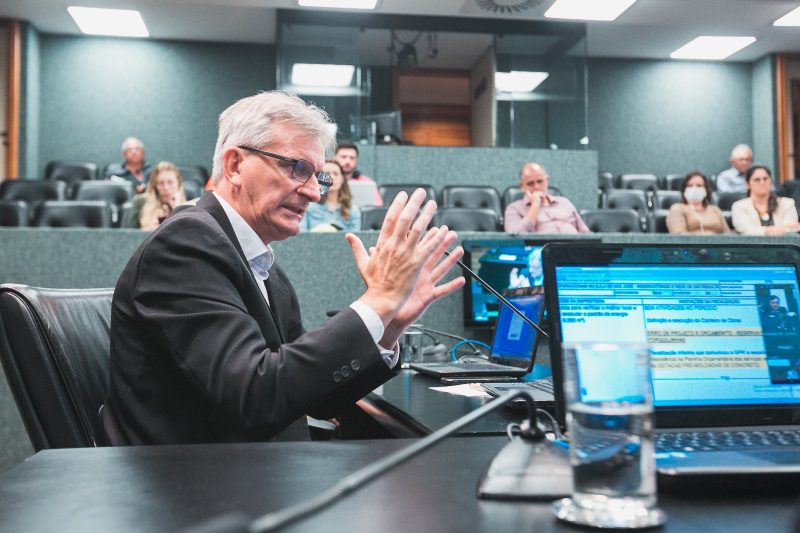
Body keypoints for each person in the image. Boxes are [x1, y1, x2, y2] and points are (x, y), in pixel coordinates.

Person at [101, 91, 464, 445]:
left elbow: (314, 396)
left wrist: (388, 326)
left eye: (319, 177)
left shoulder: (262, 263)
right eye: (297, 168)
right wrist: (379, 301)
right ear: (234, 165)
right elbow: (254, 397)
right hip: (197, 492)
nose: (313, 192)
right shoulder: (184, 244)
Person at [503, 162, 591, 234]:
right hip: (541, 252)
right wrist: (535, 205)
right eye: (530, 183)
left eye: (540, 181)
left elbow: (585, 232)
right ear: (522, 186)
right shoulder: (514, 208)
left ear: (547, 180)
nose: (536, 187)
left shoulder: (564, 202)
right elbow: (514, 235)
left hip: (574, 250)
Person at [731, 165, 800, 236]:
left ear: (771, 181)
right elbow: (747, 231)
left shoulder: (787, 203)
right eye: (757, 180)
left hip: (784, 246)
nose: (762, 183)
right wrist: (776, 229)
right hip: (752, 246)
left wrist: (761, 230)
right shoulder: (739, 206)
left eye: (765, 179)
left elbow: (792, 230)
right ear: (747, 184)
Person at [302, 160, 361, 232]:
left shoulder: (353, 211)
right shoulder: (308, 208)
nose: (332, 177)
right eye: (327, 173)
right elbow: (302, 236)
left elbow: (355, 238)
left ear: (342, 179)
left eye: (336, 174)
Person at [127, 161, 187, 230]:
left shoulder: (188, 207)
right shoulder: (140, 202)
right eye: (161, 183)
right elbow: (129, 236)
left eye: (170, 182)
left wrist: (177, 209)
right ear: (155, 185)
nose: (166, 188)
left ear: (178, 183)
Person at [335, 141, 383, 206]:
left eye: (352, 158)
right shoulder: (326, 181)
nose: (348, 161)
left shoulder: (367, 182)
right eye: (343, 157)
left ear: (356, 160)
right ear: (335, 158)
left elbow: (378, 205)